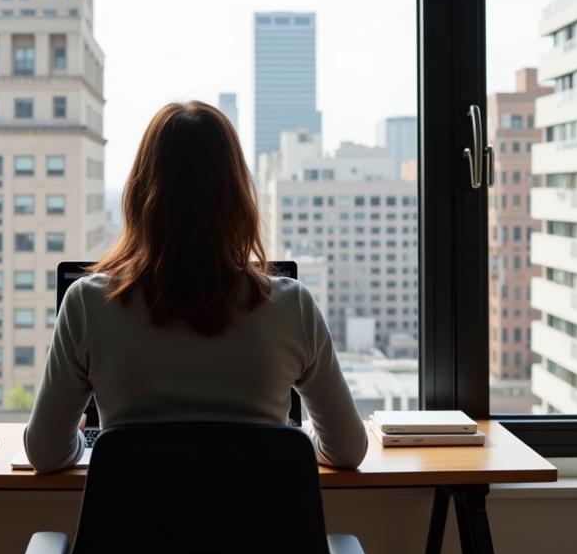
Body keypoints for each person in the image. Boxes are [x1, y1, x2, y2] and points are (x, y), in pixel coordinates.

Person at [24, 100, 368, 474]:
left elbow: (45, 454)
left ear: (140, 195)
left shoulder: (89, 304)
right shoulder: (291, 307)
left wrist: (83, 441)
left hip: (135, 535)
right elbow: (347, 451)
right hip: (256, 534)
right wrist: (294, 445)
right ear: (238, 199)